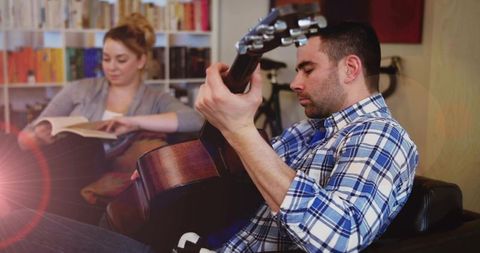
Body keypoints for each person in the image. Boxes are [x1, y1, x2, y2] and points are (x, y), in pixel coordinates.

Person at [194, 21, 419, 252]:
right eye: (297, 71)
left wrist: (241, 129)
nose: (295, 83)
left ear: (350, 68)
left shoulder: (381, 135)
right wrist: (224, 115)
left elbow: (340, 238)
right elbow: (240, 175)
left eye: (308, 70)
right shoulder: (307, 129)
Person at [3, 12, 203, 224]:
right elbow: (25, 136)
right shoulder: (80, 89)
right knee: (21, 147)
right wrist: (38, 136)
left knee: (86, 149)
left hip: (98, 171)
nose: (111, 67)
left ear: (141, 60)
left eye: (121, 60)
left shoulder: (155, 99)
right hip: (65, 165)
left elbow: (195, 120)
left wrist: (134, 122)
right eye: (106, 59)